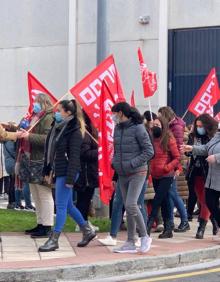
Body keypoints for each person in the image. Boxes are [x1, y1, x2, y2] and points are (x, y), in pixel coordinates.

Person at [39, 100, 96, 252]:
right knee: (69, 205)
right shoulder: (61, 128)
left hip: (68, 173)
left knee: (61, 206)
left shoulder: (74, 131)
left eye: (59, 110)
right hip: (61, 171)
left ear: (68, 113)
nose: (56, 113)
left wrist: (70, 179)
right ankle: (87, 230)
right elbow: (54, 151)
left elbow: (74, 157)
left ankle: (54, 239)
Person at [111, 102, 154, 254]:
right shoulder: (118, 128)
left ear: (121, 113)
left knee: (131, 204)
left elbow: (149, 151)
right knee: (128, 208)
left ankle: (144, 236)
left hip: (138, 172)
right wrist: (114, 164)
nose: (113, 117)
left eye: (115, 113)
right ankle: (130, 241)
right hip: (122, 173)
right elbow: (116, 150)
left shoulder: (138, 128)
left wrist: (132, 163)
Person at [17, 93, 54, 238]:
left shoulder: (48, 118)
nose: (34, 105)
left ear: (44, 103)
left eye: (36, 102)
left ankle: (47, 226)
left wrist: (29, 136)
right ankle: (40, 223)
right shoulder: (36, 117)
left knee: (44, 194)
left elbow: (48, 139)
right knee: (35, 194)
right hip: (30, 160)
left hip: (41, 161)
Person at [183, 122, 220, 238]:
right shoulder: (217, 136)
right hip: (212, 177)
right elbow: (206, 148)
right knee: (209, 201)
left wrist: (216, 157)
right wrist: (192, 148)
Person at [147, 117, 180, 238]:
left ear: (163, 126)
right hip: (155, 174)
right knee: (165, 200)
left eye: (157, 124)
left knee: (157, 200)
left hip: (166, 174)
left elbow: (177, 157)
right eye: (153, 124)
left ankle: (149, 224)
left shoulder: (168, 138)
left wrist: (167, 167)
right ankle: (168, 228)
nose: (154, 126)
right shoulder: (151, 138)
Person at [158, 106, 190, 233]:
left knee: (173, 193)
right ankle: (170, 222)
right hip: (170, 164)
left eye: (160, 115)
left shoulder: (175, 128)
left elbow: (177, 148)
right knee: (169, 194)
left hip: (172, 164)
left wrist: (176, 167)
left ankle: (184, 221)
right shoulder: (172, 126)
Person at [75, 112, 99, 231]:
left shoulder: (90, 133)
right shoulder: (85, 134)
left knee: (86, 199)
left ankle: (84, 222)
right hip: (86, 173)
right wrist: (100, 152)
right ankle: (82, 224)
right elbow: (84, 154)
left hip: (90, 172)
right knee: (83, 199)